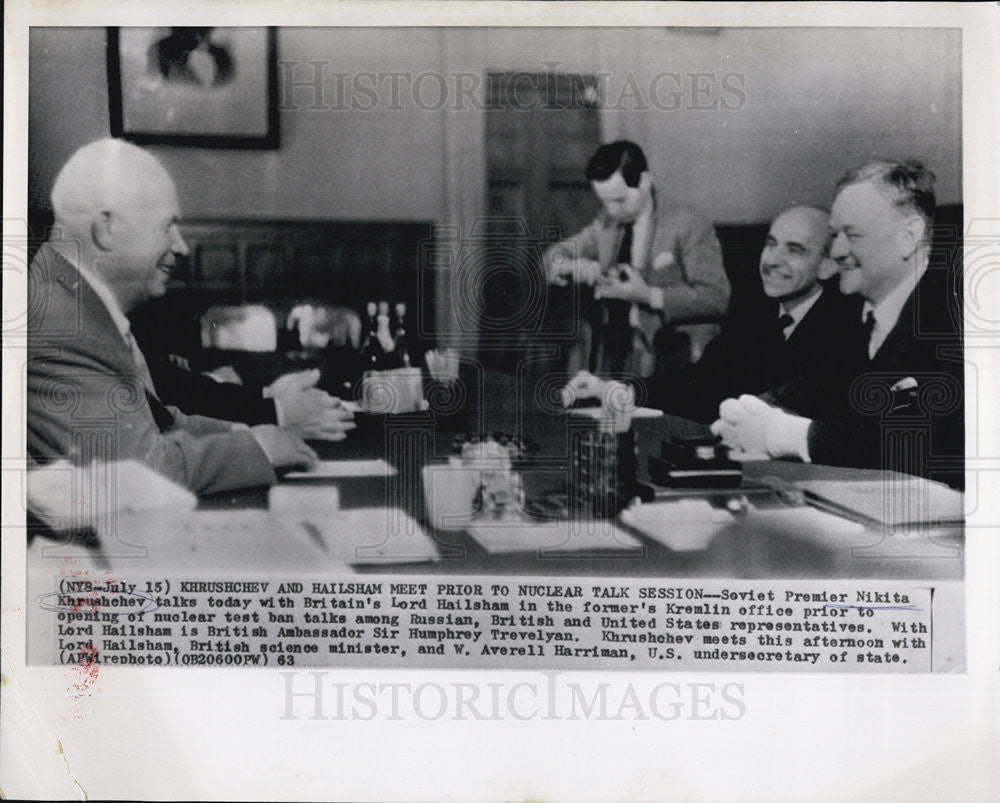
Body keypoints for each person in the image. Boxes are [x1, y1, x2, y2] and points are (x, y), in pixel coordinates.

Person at [27, 139, 318, 495]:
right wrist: (260, 446)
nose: (181, 246)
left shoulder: (72, 298)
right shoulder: (59, 323)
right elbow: (137, 475)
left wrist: (241, 432)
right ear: (107, 229)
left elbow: (160, 420)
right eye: (167, 227)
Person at [712, 160, 963, 488]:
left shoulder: (959, 313)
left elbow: (930, 441)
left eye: (853, 235)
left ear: (909, 236)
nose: (838, 251)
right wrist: (756, 410)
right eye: (835, 235)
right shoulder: (847, 312)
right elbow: (817, 386)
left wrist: (784, 434)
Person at [561, 206, 861, 422]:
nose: (772, 261)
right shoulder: (756, 309)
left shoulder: (847, 325)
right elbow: (701, 383)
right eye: (770, 244)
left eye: (794, 250)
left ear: (827, 266)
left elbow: (804, 404)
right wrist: (619, 389)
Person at [543, 140, 730, 376]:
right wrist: (568, 265)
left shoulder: (689, 225)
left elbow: (716, 297)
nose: (611, 211)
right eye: (605, 202)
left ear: (643, 181)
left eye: (620, 200)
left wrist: (647, 295)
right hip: (614, 352)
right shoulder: (608, 221)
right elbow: (554, 255)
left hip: (672, 359)